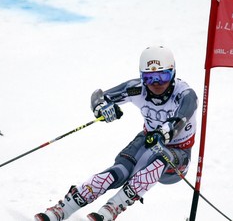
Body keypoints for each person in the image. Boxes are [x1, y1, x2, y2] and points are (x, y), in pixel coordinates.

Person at [34, 46, 198, 221]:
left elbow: (180, 119)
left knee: (160, 160)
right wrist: (102, 108)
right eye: (149, 78)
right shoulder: (138, 88)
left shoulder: (184, 94)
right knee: (118, 172)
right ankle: (61, 210)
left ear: (173, 73)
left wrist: (165, 132)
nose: (156, 83)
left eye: (162, 76)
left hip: (178, 155)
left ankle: (112, 208)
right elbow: (99, 96)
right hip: (148, 141)